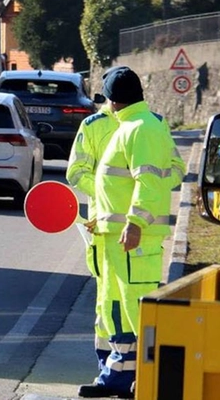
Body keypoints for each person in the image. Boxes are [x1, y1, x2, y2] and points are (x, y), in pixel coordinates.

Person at [77, 66, 182, 399]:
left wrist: (136, 223)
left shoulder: (142, 128)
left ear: (112, 100)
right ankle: (119, 378)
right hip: (114, 236)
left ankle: (157, 381)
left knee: (140, 311)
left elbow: (149, 180)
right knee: (117, 308)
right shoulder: (132, 126)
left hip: (133, 239)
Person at [65, 104, 118, 388]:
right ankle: (111, 368)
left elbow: (75, 172)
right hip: (113, 229)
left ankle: (117, 370)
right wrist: (108, 193)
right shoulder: (95, 125)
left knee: (111, 300)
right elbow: (76, 172)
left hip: (116, 227)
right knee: (111, 299)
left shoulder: (149, 125)